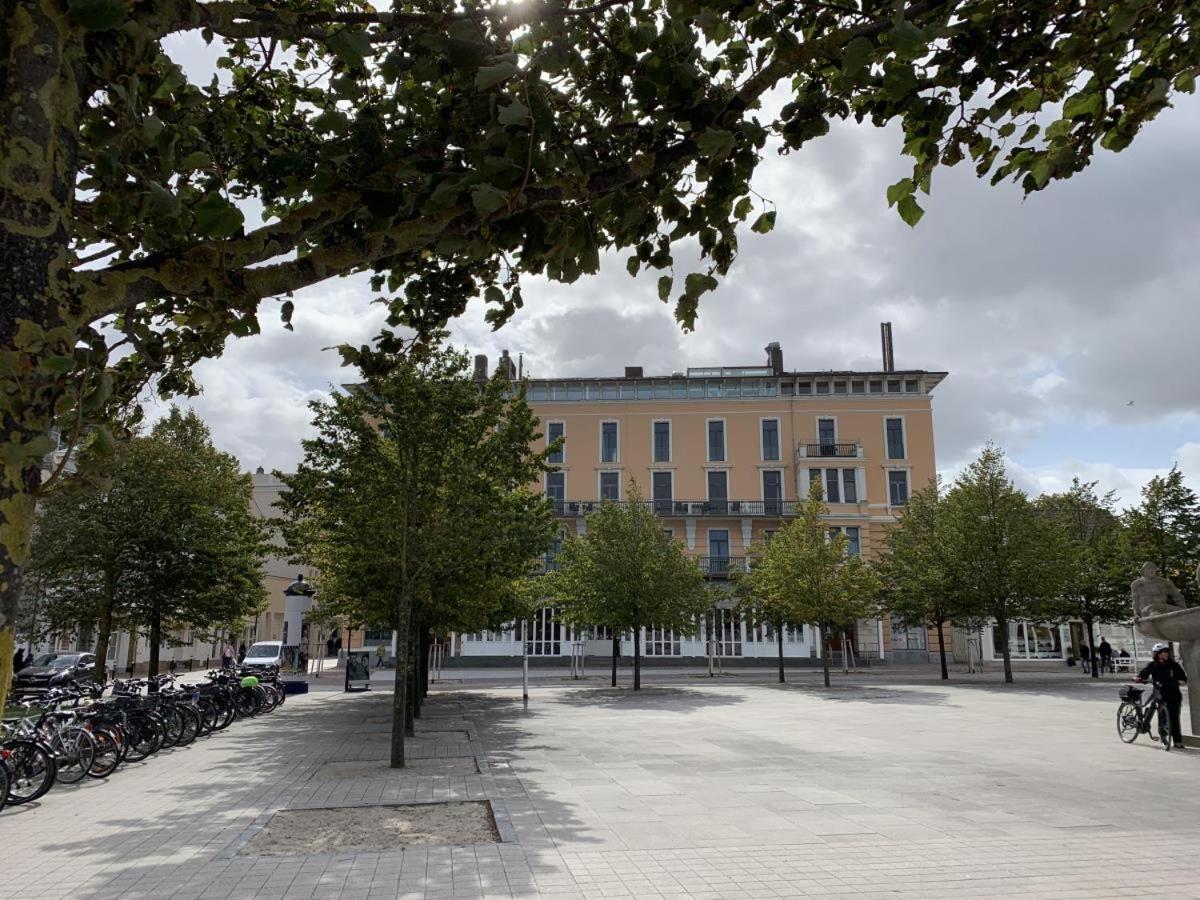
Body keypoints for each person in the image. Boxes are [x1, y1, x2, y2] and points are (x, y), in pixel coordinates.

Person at [1136, 642, 1188, 749]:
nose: (1165, 655)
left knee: (1174, 717)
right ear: (1157, 654)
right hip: (1160, 693)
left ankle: (1177, 741)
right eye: (1162, 653)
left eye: (1166, 653)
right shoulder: (1153, 665)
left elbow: (1183, 679)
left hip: (1174, 694)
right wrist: (1139, 678)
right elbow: (1143, 674)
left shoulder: (1174, 665)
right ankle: (1163, 736)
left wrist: (1178, 682)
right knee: (1162, 715)